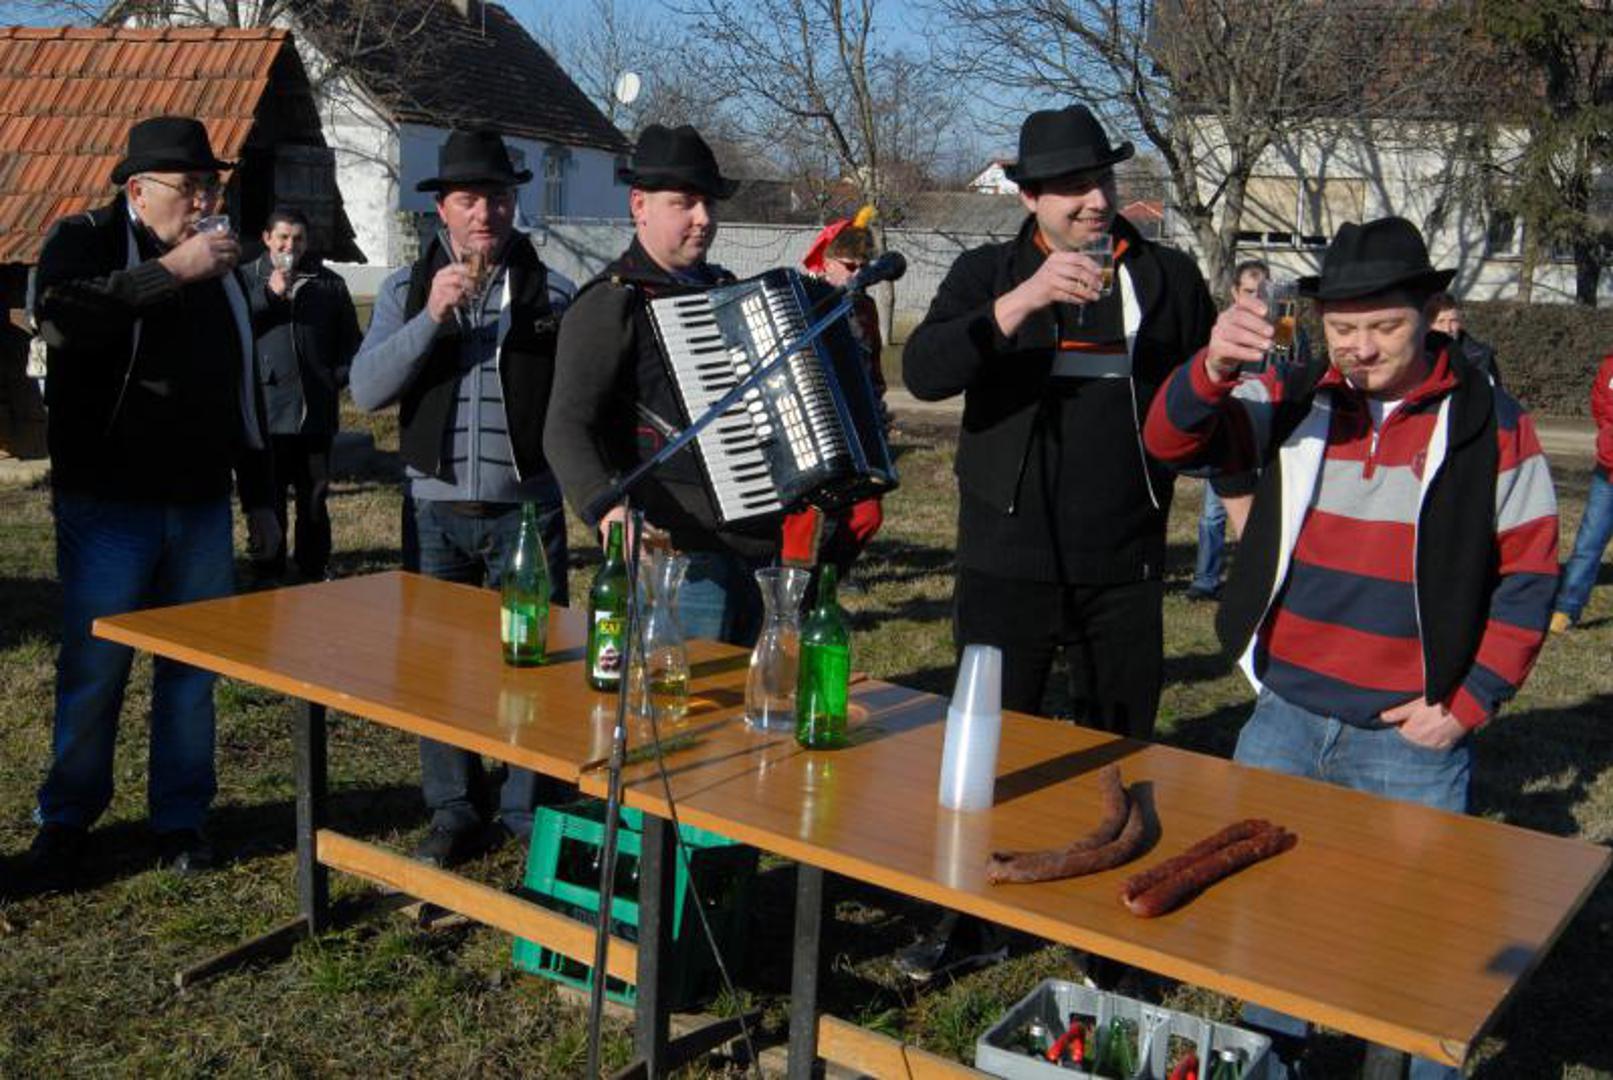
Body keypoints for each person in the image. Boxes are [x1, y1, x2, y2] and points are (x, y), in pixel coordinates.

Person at [1143, 216, 1558, 1080]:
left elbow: (1528, 575)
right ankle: (1273, 1061)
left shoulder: (1490, 422)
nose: (1360, 348)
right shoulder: (1297, 395)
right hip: (1285, 715)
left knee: (1415, 939)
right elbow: (1169, 441)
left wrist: (1469, 703)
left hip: (1408, 738)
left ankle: (1407, 1064)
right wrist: (1212, 366)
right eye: (1341, 328)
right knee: (1267, 914)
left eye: (1382, 326)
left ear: (1430, 315)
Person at [897, 103, 1214, 982]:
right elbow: (923, 372)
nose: (1094, 199)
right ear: (1029, 196)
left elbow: (1203, 393)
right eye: (1071, 186)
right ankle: (968, 918)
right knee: (990, 750)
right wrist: (1024, 301)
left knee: (1118, 743)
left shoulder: (1167, 276)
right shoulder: (987, 273)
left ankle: (1105, 934)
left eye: (1101, 179)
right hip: (1005, 556)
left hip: (1125, 555)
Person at [26, 116, 279, 885]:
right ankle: (68, 818)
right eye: (190, 186)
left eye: (212, 186)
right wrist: (170, 271)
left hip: (198, 503)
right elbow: (61, 319)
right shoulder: (87, 240)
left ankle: (180, 818)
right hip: (110, 504)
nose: (205, 201)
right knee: (96, 665)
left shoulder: (223, 271)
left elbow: (243, 386)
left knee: (191, 671)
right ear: (139, 191)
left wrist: (260, 496)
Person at [350, 129, 572, 869]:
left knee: (532, 661)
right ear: (441, 207)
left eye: (499, 198)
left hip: (526, 512)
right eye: (470, 200)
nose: (486, 214)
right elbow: (367, 390)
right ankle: (453, 808)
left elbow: (578, 406)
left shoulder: (554, 292)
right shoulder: (404, 290)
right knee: (435, 668)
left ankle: (525, 806)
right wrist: (431, 318)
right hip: (434, 510)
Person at [545, 124, 774, 646]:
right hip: (679, 558)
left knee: (747, 695)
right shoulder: (612, 301)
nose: (703, 218)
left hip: (758, 547)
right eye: (684, 203)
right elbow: (564, 427)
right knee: (682, 693)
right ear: (639, 205)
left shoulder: (727, 292)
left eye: (709, 203)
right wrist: (605, 508)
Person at [240, 206, 361, 584]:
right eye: (282, 238)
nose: (290, 246)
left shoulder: (329, 284)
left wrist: (333, 377)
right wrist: (269, 295)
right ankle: (268, 568)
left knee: (314, 497)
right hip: (268, 412)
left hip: (315, 410)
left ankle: (312, 567)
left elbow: (351, 342)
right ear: (267, 239)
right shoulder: (245, 279)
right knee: (269, 496)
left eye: (298, 239)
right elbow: (235, 328)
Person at [780, 209, 888, 576]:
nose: (858, 274)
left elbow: (873, 364)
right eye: (849, 266)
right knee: (806, 522)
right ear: (826, 261)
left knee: (866, 514)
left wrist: (876, 406)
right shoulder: (800, 300)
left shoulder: (865, 308)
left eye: (864, 267)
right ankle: (793, 589)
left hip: (856, 429)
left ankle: (827, 580)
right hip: (808, 425)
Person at [1187, 259, 1269, 601]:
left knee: (1262, 512)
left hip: (1268, 427)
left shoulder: (1283, 329)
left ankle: (1258, 579)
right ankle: (1206, 579)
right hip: (1229, 430)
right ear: (1235, 292)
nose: (1256, 298)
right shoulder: (1222, 330)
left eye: (1262, 291)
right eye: (1249, 291)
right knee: (1213, 512)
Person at [1551, 350, 1613, 632]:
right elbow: (1600, 405)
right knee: (1589, 541)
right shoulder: (1609, 366)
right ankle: (1567, 608)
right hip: (1607, 470)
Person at [1426, 291, 1501, 386]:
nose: (1447, 329)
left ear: (1460, 323)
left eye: (1453, 321)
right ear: (1430, 325)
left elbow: (1495, 392)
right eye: (1441, 321)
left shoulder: (1482, 357)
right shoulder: (1418, 358)